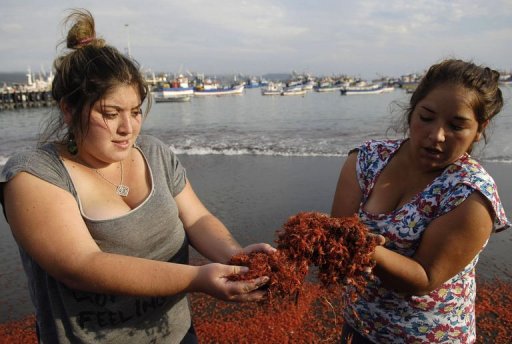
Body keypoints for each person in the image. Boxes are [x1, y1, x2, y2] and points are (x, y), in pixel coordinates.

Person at [0, 9, 273, 344]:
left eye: (135, 112)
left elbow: (198, 217)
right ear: (69, 111)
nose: (128, 128)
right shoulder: (34, 175)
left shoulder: (154, 153)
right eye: (110, 114)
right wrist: (197, 279)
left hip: (177, 334)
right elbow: (81, 265)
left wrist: (237, 258)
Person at [331, 59, 510, 343]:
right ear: (412, 111)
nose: (437, 135)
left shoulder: (471, 193)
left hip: (429, 336)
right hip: (359, 323)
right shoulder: (367, 159)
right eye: (426, 117)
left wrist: (364, 247)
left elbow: (424, 278)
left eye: (456, 125)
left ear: (479, 129)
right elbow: (337, 230)